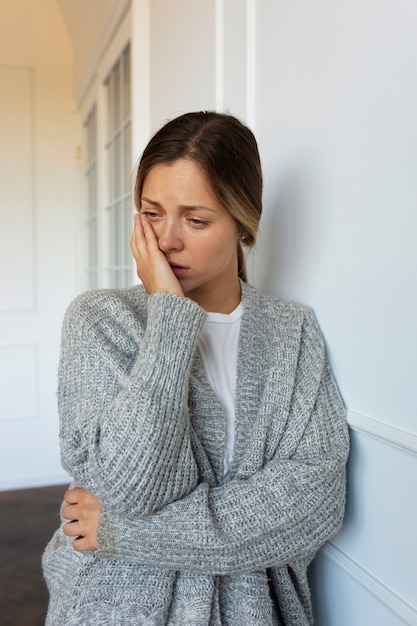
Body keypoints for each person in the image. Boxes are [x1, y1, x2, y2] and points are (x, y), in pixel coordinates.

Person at [42, 111, 349, 625]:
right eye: (151, 213)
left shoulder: (291, 332)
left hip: (251, 609)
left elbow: (312, 504)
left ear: (243, 224)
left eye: (196, 219)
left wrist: (129, 532)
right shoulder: (100, 321)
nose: (165, 241)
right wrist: (168, 315)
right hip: (116, 605)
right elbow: (131, 488)